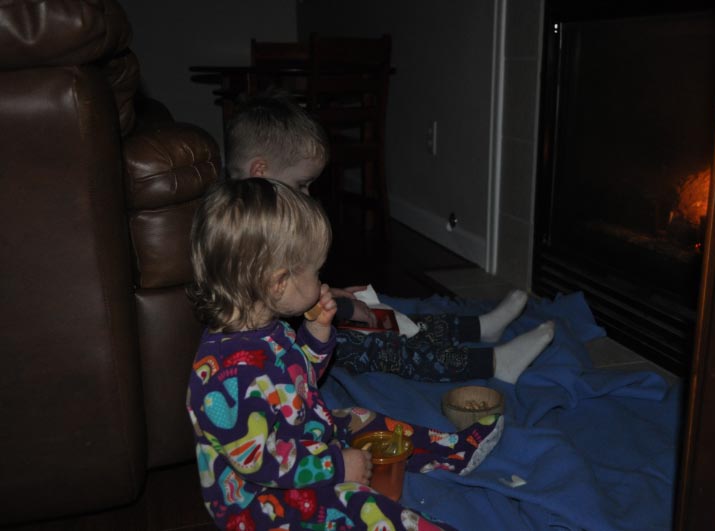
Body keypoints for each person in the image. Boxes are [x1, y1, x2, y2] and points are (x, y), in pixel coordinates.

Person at [186, 178, 503, 530]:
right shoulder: (228, 377)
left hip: (300, 441)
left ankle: (450, 451)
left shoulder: (265, 328)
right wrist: (337, 466)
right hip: (261, 504)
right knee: (354, 502)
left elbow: (297, 384)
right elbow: (261, 461)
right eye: (316, 272)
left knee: (358, 417)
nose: (323, 281)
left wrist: (316, 335)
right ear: (278, 283)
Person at [225, 94, 555, 384]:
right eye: (301, 184)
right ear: (260, 172)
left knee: (392, 319)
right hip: (287, 355)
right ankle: (494, 364)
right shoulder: (242, 237)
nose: (307, 195)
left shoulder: (255, 219)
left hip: (302, 325)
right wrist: (341, 307)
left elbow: (286, 296)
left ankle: (480, 328)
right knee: (385, 347)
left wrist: (331, 295)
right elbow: (271, 303)